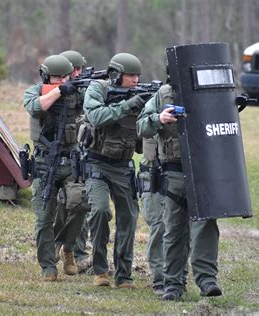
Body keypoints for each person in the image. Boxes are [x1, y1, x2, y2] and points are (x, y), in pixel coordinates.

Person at [137, 83, 222, 300]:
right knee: (173, 229)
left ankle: (207, 281)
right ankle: (173, 285)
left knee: (205, 225)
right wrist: (159, 119)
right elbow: (142, 127)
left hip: (204, 170)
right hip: (173, 171)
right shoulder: (163, 95)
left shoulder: (212, 92)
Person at [82, 53, 148, 288]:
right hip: (96, 162)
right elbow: (97, 117)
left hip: (123, 166)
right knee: (99, 211)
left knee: (128, 218)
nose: (136, 79)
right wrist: (127, 105)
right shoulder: (97, 90)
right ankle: (100, 270)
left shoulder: (141, 96)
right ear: (116, 75)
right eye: (131, 75)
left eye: (138, 75)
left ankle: (124, 274)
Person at [23, 54, 89, 282]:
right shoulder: (35, 91)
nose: (62, 80)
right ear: (45, 76)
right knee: (44, 219)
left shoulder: (78, 93)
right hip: (44, 164)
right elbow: (35, 107)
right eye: (56, 77)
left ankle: (68, 247)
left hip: (71, 161)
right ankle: (48, 267)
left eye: (65, 77)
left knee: (80, 203)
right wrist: (61, 91)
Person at [52, 50, 91, 270]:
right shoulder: (59, 92)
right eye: (72, 70)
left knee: (80, 204)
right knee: (61, 204)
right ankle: (61, 244)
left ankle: (78, 251)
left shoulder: (86, 91)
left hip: (83, 154)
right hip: (60, 158)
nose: (77, 74)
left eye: (79, 70)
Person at [137, 137, 166, 295]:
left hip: (177, 167)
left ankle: (178, 278)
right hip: (152, 173)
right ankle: (159, 279)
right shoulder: (147, 112)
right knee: (159, 225)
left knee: (179, 228)